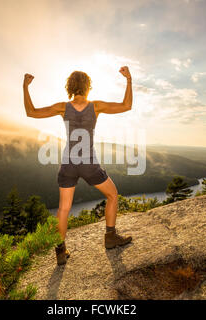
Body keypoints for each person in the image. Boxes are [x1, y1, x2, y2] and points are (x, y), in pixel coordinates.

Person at [23, 67, 133, 265]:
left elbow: (31, 112)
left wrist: (25, 87)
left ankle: (60, 251)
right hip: (89, 164)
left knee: (64, 208)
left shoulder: (62, 107)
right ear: (87, 87)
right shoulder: (96, 106)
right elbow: (126, 105)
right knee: (113, 195)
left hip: (69, 164)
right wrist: (129, 80)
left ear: (71, 87)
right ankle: (110, 237)